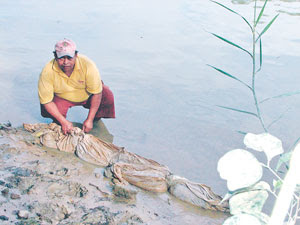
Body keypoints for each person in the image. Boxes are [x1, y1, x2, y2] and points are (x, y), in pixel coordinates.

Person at [38, 38, 115, 135]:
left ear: (76, 55)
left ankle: (95, 119)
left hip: (87, 95)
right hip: (62, 97)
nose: (66, 62)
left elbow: (97, 92)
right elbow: (46, 101)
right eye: (61, 58)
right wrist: (63, 122)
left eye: (69, 58)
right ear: (55, 56)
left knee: (106, 93)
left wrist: (89, 119)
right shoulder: (47, 71)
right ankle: (59, 121)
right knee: (53, 114)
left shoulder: (88, 65)